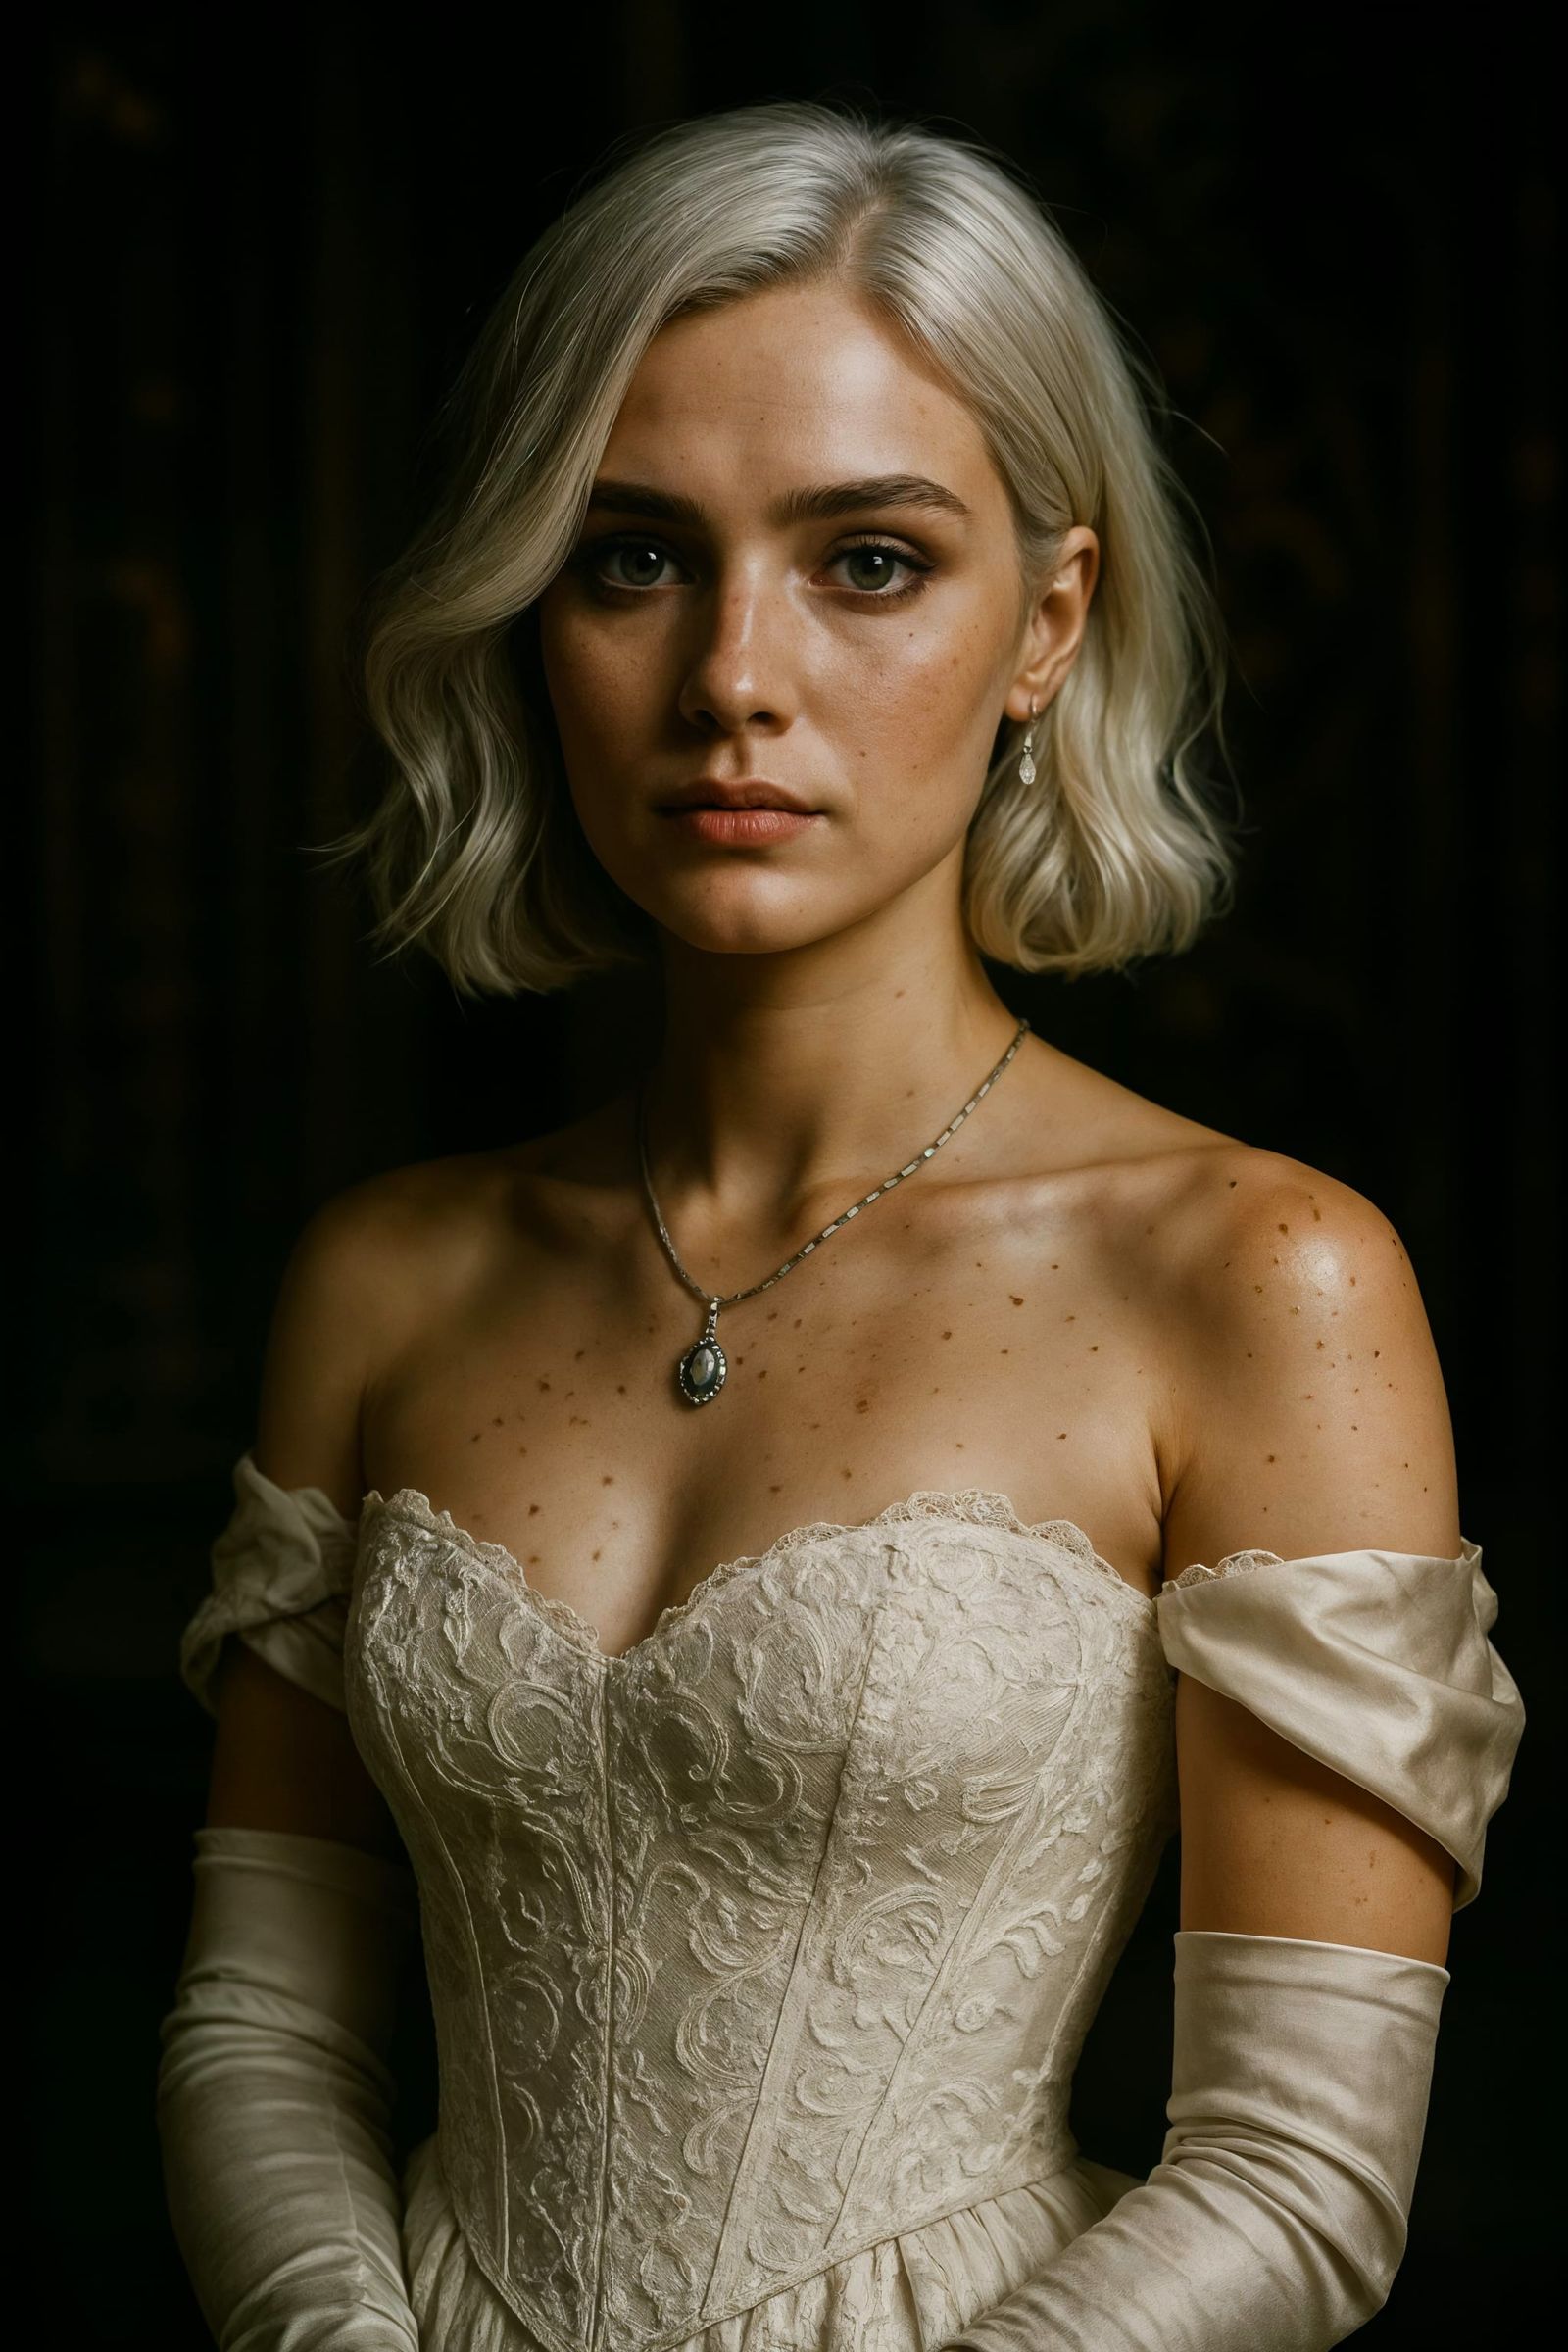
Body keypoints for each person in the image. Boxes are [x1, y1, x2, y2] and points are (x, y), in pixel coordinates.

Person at [155, 99, 1525, 2351]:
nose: (730, 680)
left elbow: (1293, 2182)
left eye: (865, 560)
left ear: (1043, 625)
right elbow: (261, 2035)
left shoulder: (1255, 1278)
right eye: (629, 555)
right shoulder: (389, 1278)